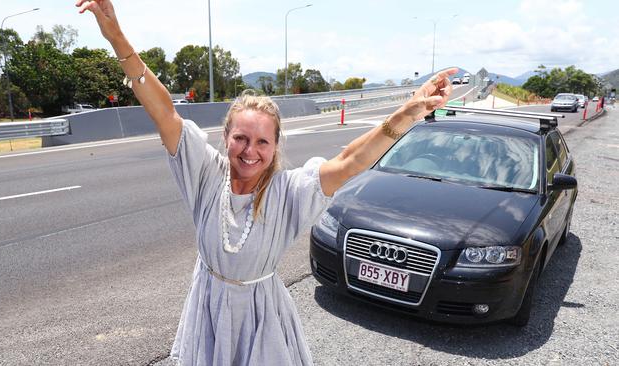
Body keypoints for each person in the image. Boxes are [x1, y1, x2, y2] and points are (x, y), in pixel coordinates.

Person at [77, 1, 457, 364]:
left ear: (275, 147)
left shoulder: (289, 191)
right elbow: (164, 112)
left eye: (262, 142)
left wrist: (410, 111)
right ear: (225, 137)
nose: (249, 151)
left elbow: (350, 160)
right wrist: (116, 37)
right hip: (208, 309)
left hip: (261, 320)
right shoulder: (206, 174)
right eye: (241, 138)